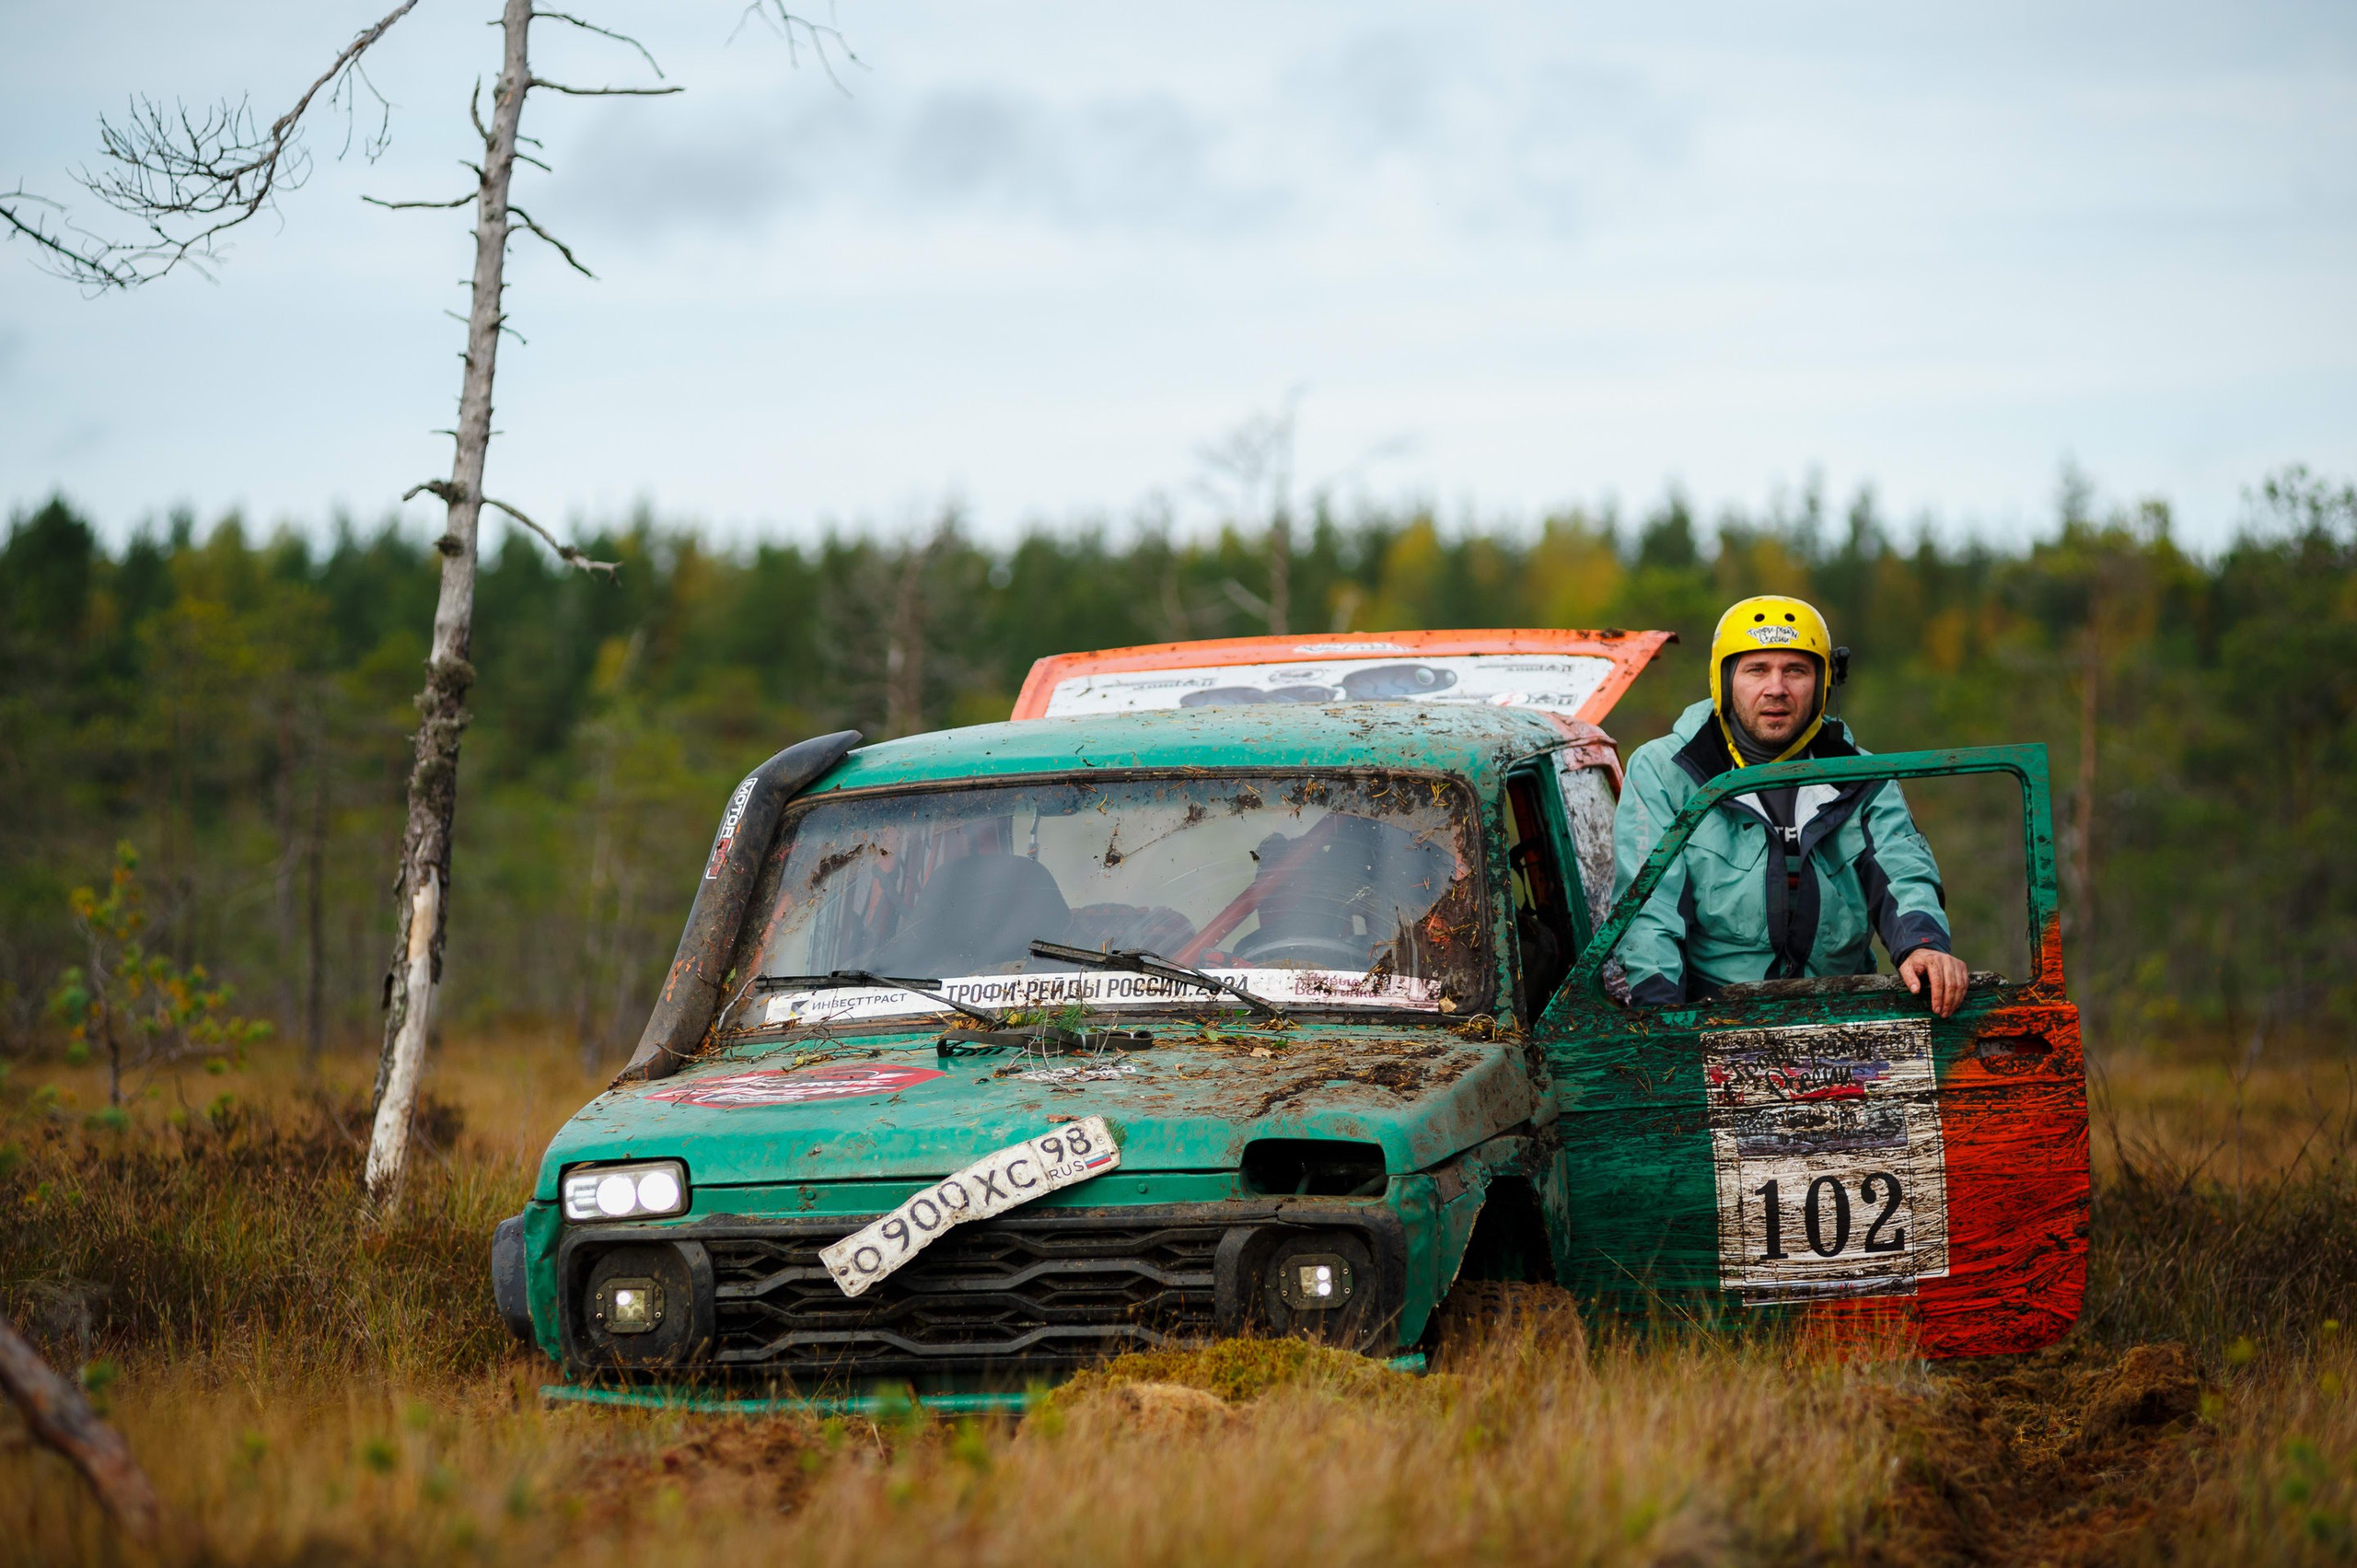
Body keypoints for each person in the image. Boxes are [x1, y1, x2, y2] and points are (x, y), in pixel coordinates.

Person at [1610, 594, 1972, 1016]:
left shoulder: (1863, 775)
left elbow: (1902, 867)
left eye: (1796, 670)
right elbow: (1649, 908)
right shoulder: (1666, 771)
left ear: (1822, 682)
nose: (1776, 688)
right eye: (1757, 670)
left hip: (1844, 1006)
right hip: (1711, 1012)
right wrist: (1663, 1019)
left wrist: (1923, 945)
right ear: (1723, 680)